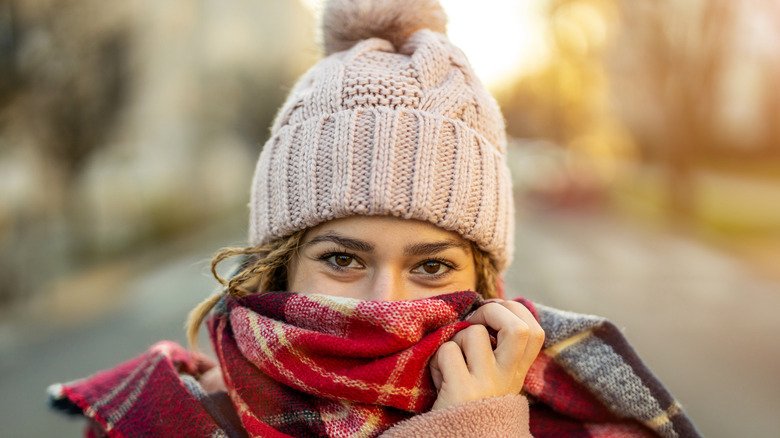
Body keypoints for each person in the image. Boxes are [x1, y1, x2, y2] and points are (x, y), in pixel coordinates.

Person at [49, 1, 702, 437]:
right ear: (280, 266)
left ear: (483, 284)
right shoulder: (160, 419)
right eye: (342, 259)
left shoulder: (566, 416)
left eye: (431, 266)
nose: (384, 304)